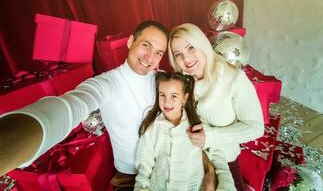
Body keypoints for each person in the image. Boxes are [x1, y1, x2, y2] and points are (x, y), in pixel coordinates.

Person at [0, 20, 169, 190]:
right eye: (146, 45)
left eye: (158, 53)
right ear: (131, 41)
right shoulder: (108, 82)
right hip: (131, 176)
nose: (150, 57)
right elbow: (74, 105)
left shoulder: (162, 79)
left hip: (166, 166)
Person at [168, 23, 264, 191]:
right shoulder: (182, 80)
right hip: (191, 158)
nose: (187, 59)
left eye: (191, 48)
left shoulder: (233, 78)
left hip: (225, 159)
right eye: (178, 54)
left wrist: (212, 136)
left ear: (202, 44)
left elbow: (256, 128)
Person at [134, 71, 236, 191]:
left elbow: (218, 158)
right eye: (162, 95)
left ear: (184, 98)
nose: (167, 102)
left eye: (174, 96)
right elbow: (144, 167)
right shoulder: (152, 127)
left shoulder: (197, 124)